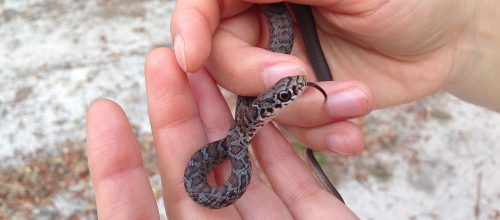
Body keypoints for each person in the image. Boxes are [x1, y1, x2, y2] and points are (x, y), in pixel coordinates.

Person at [86, 1, 500, 219]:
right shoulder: (240, 143)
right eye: (286, 94)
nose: (297, 85)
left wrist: (461, 34)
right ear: (270, 108)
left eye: (288, 93)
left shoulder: (246, 127)